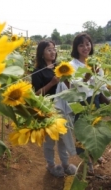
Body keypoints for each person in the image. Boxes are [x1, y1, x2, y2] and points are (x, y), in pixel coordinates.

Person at [31, 40, 77, 177]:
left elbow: (68, 88)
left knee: (63, 137)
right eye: (49, 50)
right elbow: (37, 94)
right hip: (48, 109)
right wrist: (51, 83)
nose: (53, 52)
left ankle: (65, 164)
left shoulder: (59, 67)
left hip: (63, 107)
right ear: (42, 53)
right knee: (50, 140)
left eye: (54, 49)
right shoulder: (38, 72)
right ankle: (50, 165)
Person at [70, 33, 106, 174]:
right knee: (82, 132)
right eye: (81, 45)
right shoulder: (72, 65)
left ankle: (95, 153)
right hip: (81, 102)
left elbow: (101, 84)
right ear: (76, 48)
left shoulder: (95, 63)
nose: (85, 47)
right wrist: (87, 77)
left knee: (94, 129)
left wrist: (108, 96)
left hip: (95, 100)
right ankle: (87, 160)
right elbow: (75, 86)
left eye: (87, 44)